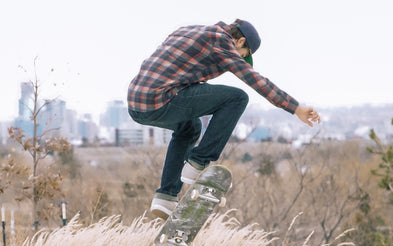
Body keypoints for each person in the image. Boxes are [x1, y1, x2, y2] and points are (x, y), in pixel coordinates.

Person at [127, 19, 321, 219]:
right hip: (162, 98)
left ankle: (166, 197)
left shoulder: (188, 30)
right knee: (237, 98)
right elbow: (256, 81)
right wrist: (295, 108)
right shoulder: (222, 43)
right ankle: (197, 165)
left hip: (137, 104)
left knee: (190, 128)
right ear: (240, 41)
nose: (239, 58)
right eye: (243, 55)